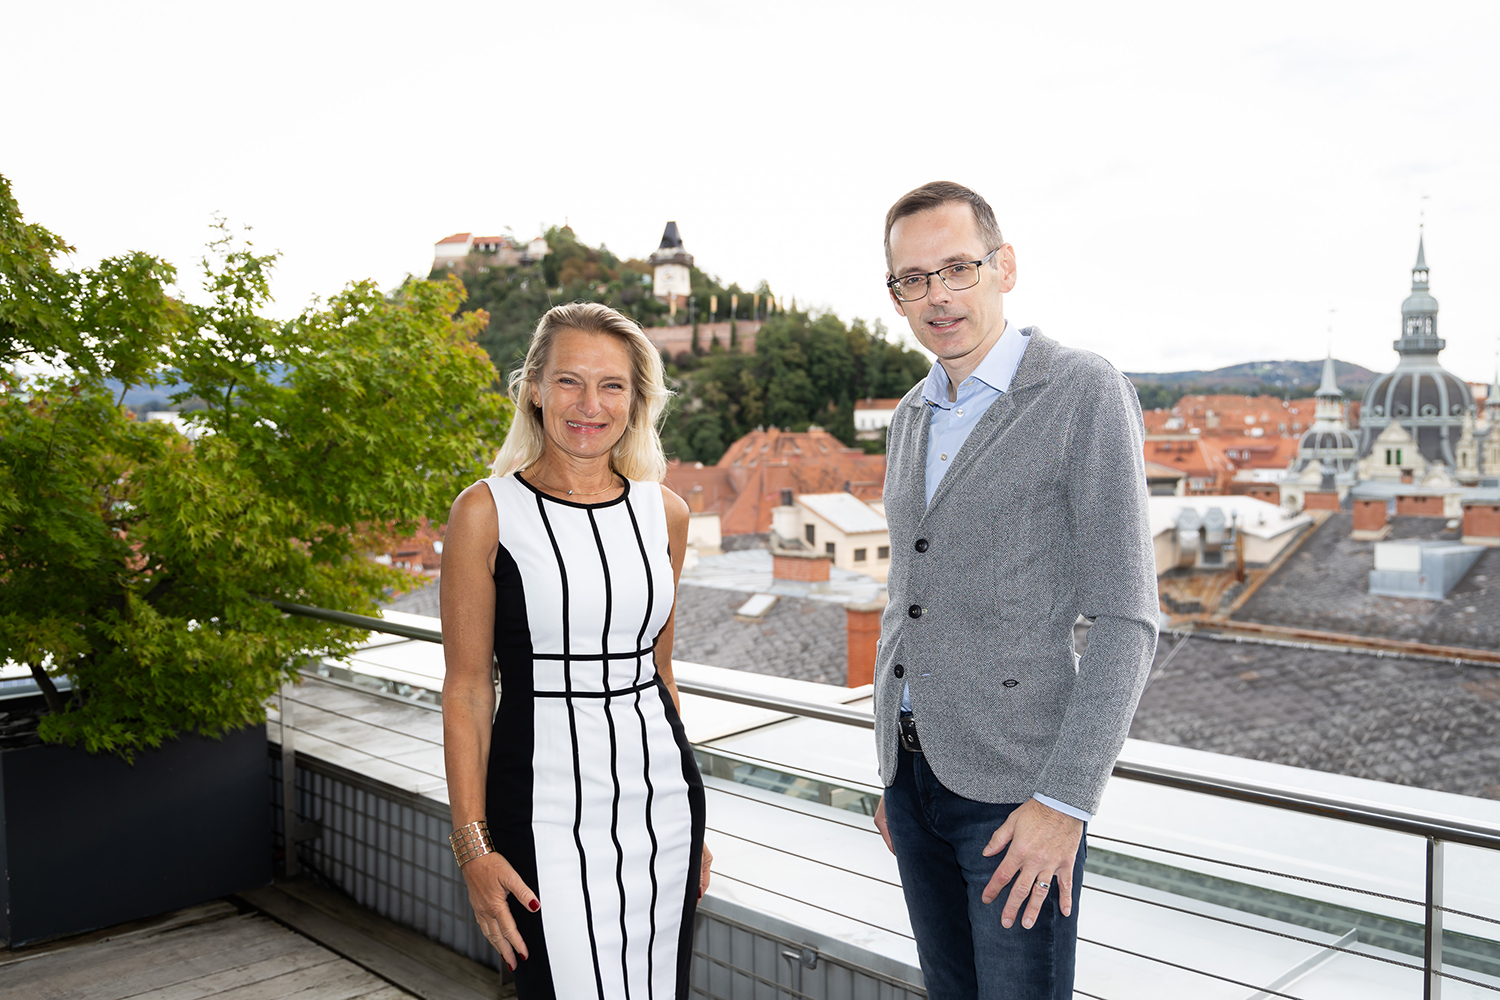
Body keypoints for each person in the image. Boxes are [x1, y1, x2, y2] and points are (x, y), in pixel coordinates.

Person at [870, 181, 1159, 999]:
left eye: (957, 268)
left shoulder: (1079, 391)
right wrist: (895, 766)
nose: (939, 296)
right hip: (915, 783)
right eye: (914, 279)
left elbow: (1127, 620)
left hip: (1018, 796)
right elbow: (908, 597)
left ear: (1005, 266)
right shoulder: (909, 417)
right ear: (895, 297)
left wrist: (1065, 802)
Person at [441, 302, 710, 1000]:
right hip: (539, 806)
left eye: (612, 385)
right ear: (533, 387)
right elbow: (468, 691)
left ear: (636, 399)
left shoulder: (667, 515)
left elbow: (659, 672)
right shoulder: (485, 512)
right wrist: (474, 846)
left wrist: (693, 822)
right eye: (569, 381)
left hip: (663, 809)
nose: (590, 405)